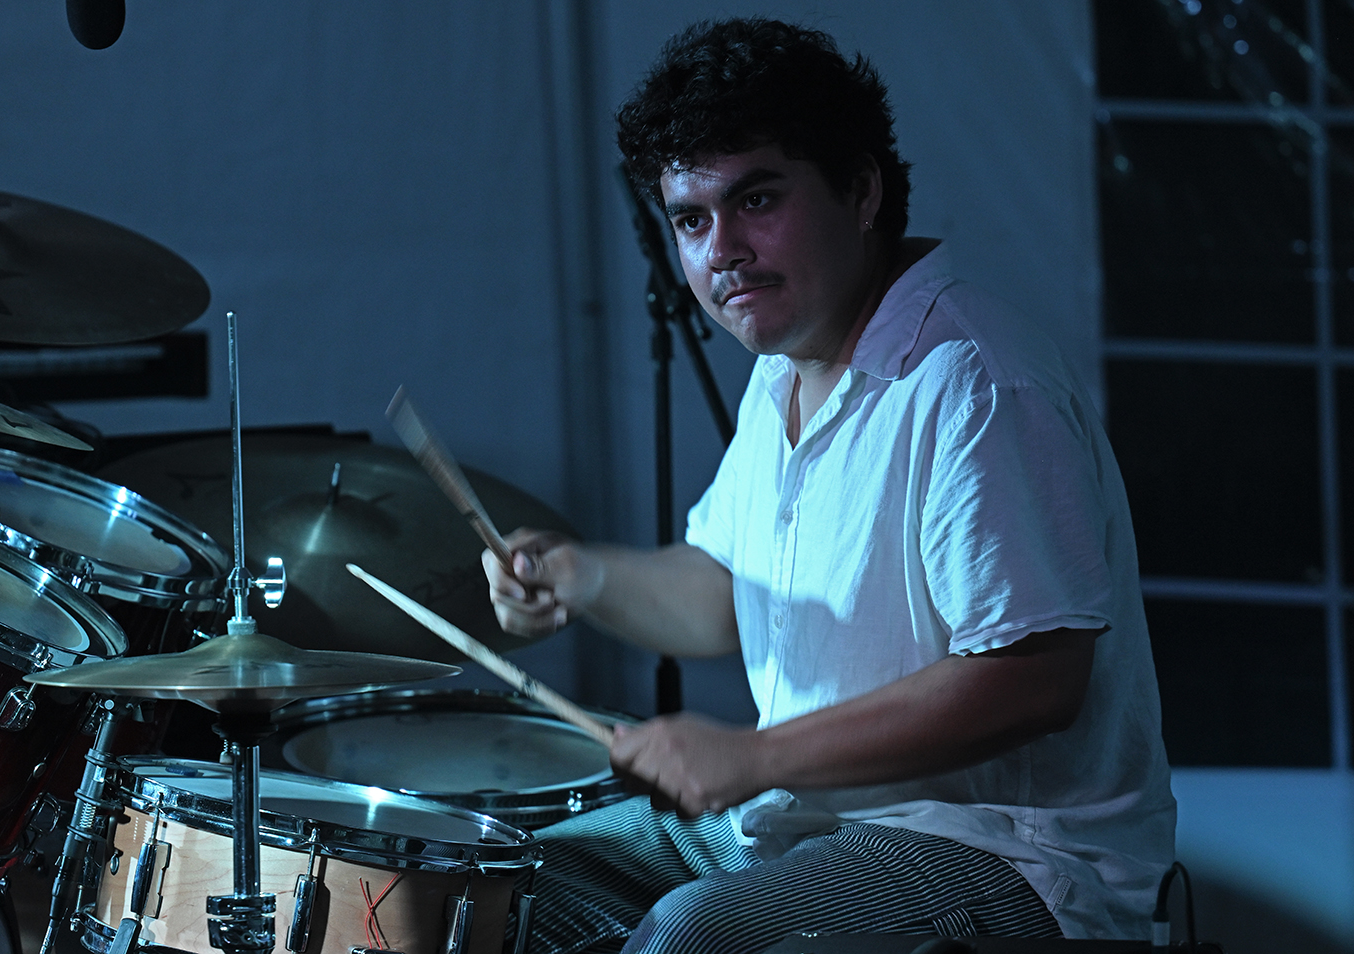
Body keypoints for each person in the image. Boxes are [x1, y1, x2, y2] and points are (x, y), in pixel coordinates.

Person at [483, 17, 1175, 954]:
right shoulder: (788, 367)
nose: (722, 249)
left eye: (756, 199)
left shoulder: (972, 378)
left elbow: (1033, 679)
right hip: (803, 822)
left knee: (691, 935)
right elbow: (726, 597)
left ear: (860, 191)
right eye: (691, 220)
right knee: (513, 878)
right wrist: (577, 577)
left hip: (1009, 858)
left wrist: (754, 754)